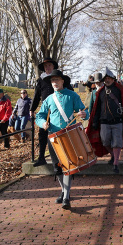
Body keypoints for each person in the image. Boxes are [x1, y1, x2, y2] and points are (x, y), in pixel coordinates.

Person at [35, 69, 88, 210]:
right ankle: (65, 192)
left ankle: (66, 197)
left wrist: (83, 114)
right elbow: (39, 116)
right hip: (53, 137)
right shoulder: (48, 99)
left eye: (57, 80)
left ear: (62, 81)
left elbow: (84, 111)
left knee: (68, 166)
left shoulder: (72, 96)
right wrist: (43, 124)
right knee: (57, 167)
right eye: (52, 80)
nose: (55, 82)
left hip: (68, 135)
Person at [86, 67, 123, 174]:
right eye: (105, 78)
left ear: (113, 79)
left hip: (118, 121)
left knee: (117, 143)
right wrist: (94, 120)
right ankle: (113, 155)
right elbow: (96, 108)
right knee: (105, 141)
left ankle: (116, 163)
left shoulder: (120, 89)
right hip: (103, 121)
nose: (107, 80)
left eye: (109, 78)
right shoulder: (100, 92)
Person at [30, 57, 73, 167]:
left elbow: (70, 92)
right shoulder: (41, 80)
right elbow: (36, 96)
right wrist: (32, 109)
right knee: (42, 134)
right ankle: (41, 157)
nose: (47, 68)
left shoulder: (59, 78)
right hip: (45, 110)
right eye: (45, 66)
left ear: (53, 66)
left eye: (49, 65)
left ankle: (65, 157)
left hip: (58, 111)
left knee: (62, 133)